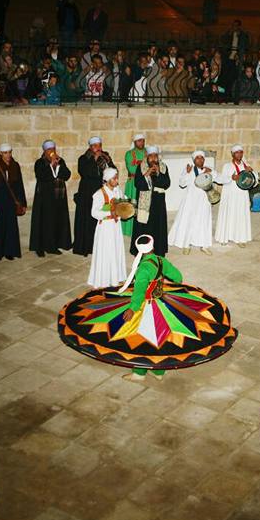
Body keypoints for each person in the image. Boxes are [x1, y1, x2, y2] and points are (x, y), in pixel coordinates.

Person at [119, 235, 183, 382]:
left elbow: (139, 292)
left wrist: (132, 308)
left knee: (142, 338)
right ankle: (159, 371)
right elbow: (178, 276)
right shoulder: (161, 260)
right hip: (162, 302)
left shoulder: (143, 268)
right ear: (152, 247)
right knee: (160, 337)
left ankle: (139, 373)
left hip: (148, 306)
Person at [28, 141, 72, 257]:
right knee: (43, 222)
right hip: (44, 197)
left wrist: (57, 165)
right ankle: (40, 247)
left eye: (53, 149)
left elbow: (67, 175)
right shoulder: (40, 162)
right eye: (49, 150)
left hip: (59, 197)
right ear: (44, 151)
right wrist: (50, 166)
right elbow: (42, 176)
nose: (52, 152)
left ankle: (54, 245)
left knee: (56, 221)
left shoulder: (60, 161)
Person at [74, 136, 116, 256]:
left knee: (100, 216)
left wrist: (107, 161)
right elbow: (85, 173)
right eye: (96, 146)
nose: (98, 148)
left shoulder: (105, 157)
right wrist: (94, 160)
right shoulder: (83, 158)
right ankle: (86, 246)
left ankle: (99, 245)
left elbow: (113, 171)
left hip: (102, 191)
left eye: (100, 145)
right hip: (87, 192)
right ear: (90, 147)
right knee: (88, 218)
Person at [0, 143, 26, 262]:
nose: (8, 155)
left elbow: (19, 185)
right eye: (5, 153)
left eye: (9, 152)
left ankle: (9, 251)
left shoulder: (15, 166)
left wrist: (22, 203)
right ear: (0, 154)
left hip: (10, 203)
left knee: (10, 228)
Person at [88, 168, 127, 288]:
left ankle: (118, 277)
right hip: (105, 228)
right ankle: (103, 279)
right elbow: (94, 213)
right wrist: (109, 213)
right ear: (107, 179)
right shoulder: (99, 194)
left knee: (116, 250)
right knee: (106, 252)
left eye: (116, 178)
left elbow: (123, 201)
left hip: (116, 227)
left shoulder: (118, 191)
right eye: (114, 178)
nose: (116, 180)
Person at [170, 150, 213, 255]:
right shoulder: (189, 169)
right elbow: (182, 183)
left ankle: (204, 245)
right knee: (189, 221)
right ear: (194, 160)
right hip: (191, 200)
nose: (200, 159)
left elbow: (221, 179)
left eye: (202, 157)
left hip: (204, 200)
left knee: (204, 221)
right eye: (197, 158)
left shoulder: (208, 170)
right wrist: (187, 173)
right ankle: (186, 244)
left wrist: (211, 172)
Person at [130, 145, 171, 256]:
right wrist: (147, 173)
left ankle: (158, 251)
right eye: (151, 156)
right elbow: (138, 184)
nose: (153, 158)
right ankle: (142, 251)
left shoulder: (163, 167)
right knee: (144, 227)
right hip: (145, 204)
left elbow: (166, 184)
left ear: (158, 157)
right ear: (147, 157)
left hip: (158, 204)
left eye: (155, 156)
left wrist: (158, 173)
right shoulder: (141, 167)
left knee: (158, 227)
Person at [214, 144, 253, 247]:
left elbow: (253, 181)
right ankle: (224, 237)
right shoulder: (227, 166)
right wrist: (231, 177)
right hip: (230, 195)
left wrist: (251, 173)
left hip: (242, 195)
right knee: (229, 214)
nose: (239, 154)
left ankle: (240, 238)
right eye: (236, 152)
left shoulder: (246, 166)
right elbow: (222, 180)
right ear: (232, 154)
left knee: (240, 215)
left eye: (241, 152)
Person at [122, 134, 147, 237]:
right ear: (135, 142)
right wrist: (145, 167)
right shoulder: (129, 154)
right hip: (133, 184)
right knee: (132, 205)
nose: (141, 142)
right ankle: (129, 231)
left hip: (145, 182)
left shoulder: (148, 152)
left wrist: (139, 165)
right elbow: (131, 169)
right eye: (139, 141)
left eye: (142, 140)